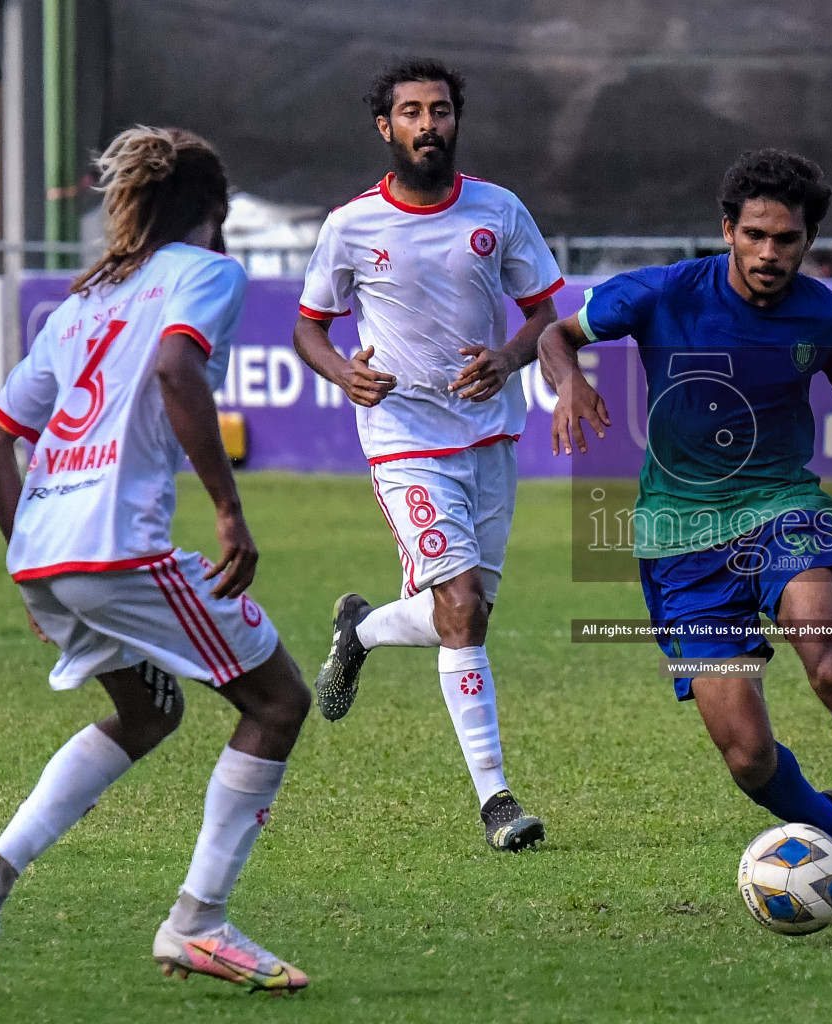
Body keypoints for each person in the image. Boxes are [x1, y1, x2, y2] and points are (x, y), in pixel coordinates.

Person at [538, 149, 832, 937]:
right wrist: (570, 381)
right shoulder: (663, 292)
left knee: (830, 665)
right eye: (756, 235)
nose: (770, 253)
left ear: (807, 242)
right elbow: (553, 334)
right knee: (748, 758)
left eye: (787, 240)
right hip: (678, 542)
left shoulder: (828, 315)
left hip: (781, 510)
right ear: (727, 230)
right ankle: (826, 820)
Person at [0, 127, 311, 994]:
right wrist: (228, 508)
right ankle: (200, 921)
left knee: (148, 713)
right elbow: (179, 370)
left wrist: (31, 567)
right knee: (278, 699)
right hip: (118, 545)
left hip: (49, 558)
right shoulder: (206, 272)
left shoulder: (80, 302)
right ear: (213, 216)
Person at [294, 59, 561, 852]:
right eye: (410, 111)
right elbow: (309, 325)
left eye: (439, 110)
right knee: (461, 609)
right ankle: (498, 801)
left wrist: (509, 360)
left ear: (454, 120)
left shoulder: (498, 210)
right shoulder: (351, 225)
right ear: (386, 127)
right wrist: (344, 370)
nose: (427, 123)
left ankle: (363, 631)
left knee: (468, 613)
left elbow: (544, 313)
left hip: (491, 435)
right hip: (405, 438)